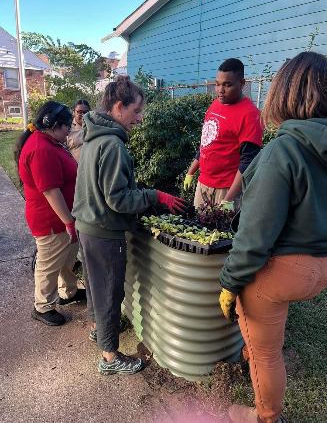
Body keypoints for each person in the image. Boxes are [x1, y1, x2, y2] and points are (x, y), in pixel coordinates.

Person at [219, 51, 327, 423]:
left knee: (267, 354)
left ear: (283, 92)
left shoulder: (283, 150)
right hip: (320, 269)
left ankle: (267, 417)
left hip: (282, 270)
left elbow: (254, 236)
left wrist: (230, 283)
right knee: (266, 339)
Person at [72, 75, 188, 375]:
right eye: (136, 112)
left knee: (96, 286)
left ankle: (99, 330)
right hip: (105, 232)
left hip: (86, 225)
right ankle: (110, 358)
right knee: (111, 293)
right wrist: (155, 195)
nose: (139, 119)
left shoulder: (92, 136)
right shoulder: (112, 145)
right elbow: (118, 200)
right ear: (119, 107)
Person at [15, 101, 86, 327]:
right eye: (66, 126)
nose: (69, 130)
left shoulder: (49, 141)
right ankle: (43, 306)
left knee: (66, 258)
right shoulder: (41, 149)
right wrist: (68, 222)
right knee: (49, 263)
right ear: (53, 124)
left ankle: (68, 292)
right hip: (51, 220)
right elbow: (50, 191)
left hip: (64, 217)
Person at [184, 58, 263, 209]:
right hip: (203, 184)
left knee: (220, 232)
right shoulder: (215, 105)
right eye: (217, 84)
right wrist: (191, 171)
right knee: (197, 230)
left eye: (227, 85)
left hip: (226, 190)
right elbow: (207, 142)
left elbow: (248, 162)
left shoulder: (250, 116)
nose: (220, 90)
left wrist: (229, 199)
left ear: (241, 84)